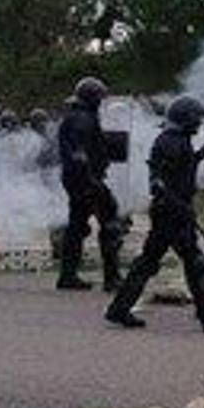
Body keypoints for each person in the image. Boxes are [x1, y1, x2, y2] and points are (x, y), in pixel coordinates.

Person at [105, 96, 204, 331]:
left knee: (151, 262)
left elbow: (187, 164)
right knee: (193, 263)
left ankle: (120, 308)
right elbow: (160, 182)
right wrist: (182, 207)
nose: (198, 123)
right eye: (196, 118)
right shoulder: (171, 142)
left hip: (171, 211)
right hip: (172, 212)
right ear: (185, 119)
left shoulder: (176, 140)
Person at [56, 77, 126, 292]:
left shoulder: (75, 116)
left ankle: (67, 276)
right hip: (87, 179)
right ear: (93, 98)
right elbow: (79, 153)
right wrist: (91, 180)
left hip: (77, 180)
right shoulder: (83, 119)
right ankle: (112, 278)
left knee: (76, 227)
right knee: (111, 224)